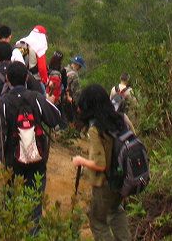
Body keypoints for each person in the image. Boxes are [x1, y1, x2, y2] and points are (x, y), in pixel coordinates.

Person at [0, 61, 65, 234]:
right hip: (37, 159)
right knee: (35, 202)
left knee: (12, 199)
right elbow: (54, 119)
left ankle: (14, 233)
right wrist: (50, 102)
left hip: (12, 161)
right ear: (26, 77)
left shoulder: (2, 103)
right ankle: (33, 234)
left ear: (7, 79)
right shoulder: (36, 98)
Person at [72, 84, 131, 241]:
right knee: (115, 210)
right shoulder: (121, 119)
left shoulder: (96, 129)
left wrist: (81, 160)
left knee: (98, 222)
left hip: (105, 182)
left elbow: (100, 164)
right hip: (123, 178)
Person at [64, 55, 85, 122]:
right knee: (72, 121)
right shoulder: (74, 75)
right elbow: (76, 92)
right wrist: (79, 105)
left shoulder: (65, 70)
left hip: (62, 98)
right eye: (80, 66)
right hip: (70, 101)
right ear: (78, 65)